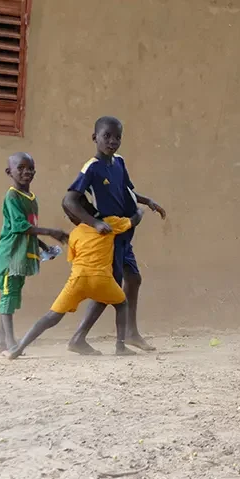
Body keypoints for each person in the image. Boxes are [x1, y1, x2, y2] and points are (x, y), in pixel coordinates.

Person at [62, 116, 166, 356]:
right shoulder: (91, 168)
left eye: (117, 137)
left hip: (125, 234)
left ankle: (131, 332)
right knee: (109, 288)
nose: (112, 141)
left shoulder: (118, 162)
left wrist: (147, 200)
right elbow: (69, 200)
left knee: (134, 278)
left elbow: (127, 190)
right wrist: (95, 223)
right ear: (94, 137)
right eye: (106, 136)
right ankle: (78, 337)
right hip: (109, 237)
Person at [3, 198, 144, 359]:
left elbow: (73, 258)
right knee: (122, 304)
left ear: (75, 217)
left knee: (51, 316)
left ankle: (18, 348)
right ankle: (120, 346)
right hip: (102, 280)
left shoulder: (75, 234)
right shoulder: (110, 223)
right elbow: (133, 221)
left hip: (77, 281)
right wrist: (140, 211)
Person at [0, 153, 68, 353]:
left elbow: (29, 230)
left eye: (31, 168)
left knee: (13, 295)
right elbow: (21, 226)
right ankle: (10, 342)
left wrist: (44, 248)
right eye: (21, 168)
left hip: (22, 255)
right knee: (8, 295)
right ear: (9, 172)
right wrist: (51, 232)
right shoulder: (12, 196)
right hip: (10, 256)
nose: (27, 172)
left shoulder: (30, 198)